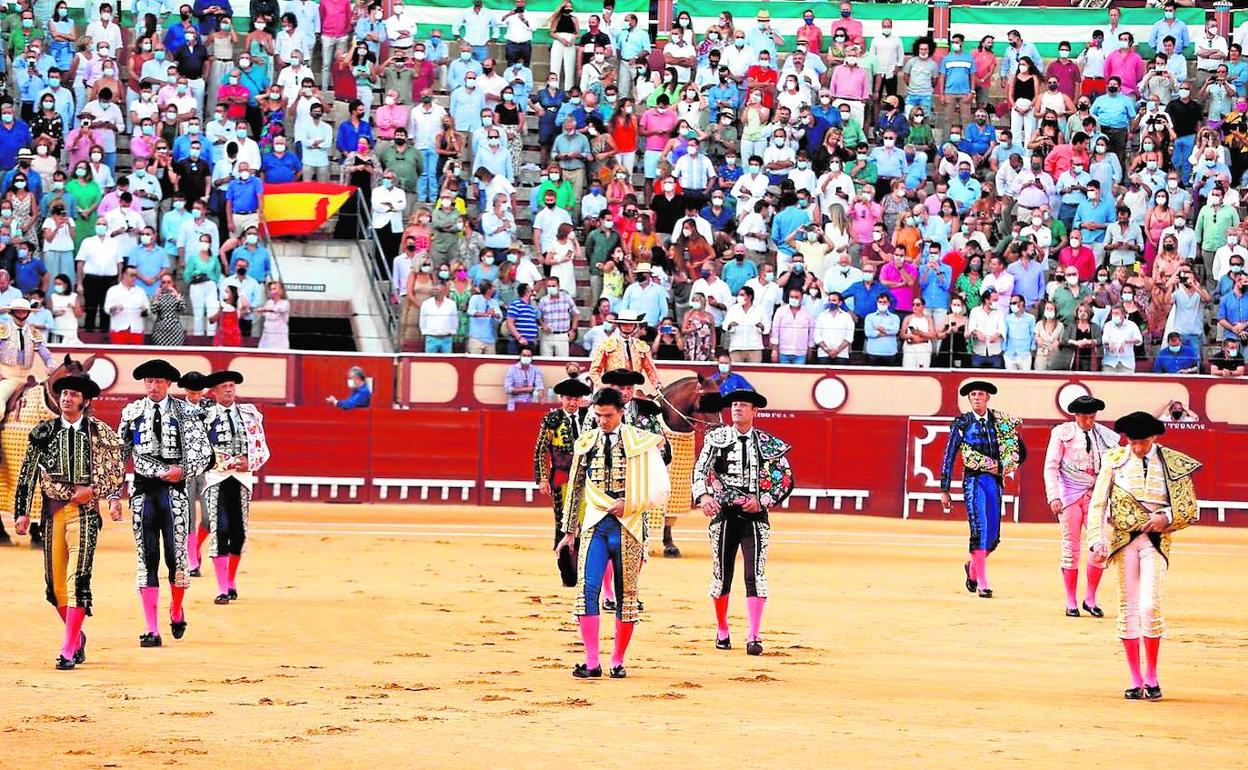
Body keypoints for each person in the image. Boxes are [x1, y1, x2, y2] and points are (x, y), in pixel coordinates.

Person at [12, 374, 123, 670]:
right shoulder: (43, 431)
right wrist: (22, 512)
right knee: (55, 586)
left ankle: (67, 647)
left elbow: (115, 470)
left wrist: (97, 493)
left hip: (85, 515)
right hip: (51, 514)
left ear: (85, 402)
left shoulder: (99, 432)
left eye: (73, 394)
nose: (66, 398)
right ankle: (77, 635)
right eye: (63, 394)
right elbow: (28, 473)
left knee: (79, 580)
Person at [557, 387, 669, 678]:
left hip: (628, 527)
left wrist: (629, 502)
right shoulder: (586, 442)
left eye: (608, 415)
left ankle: (618, 661)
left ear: (621, 412)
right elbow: (576, 488)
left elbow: (660, 489)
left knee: (627, 596)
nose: (602, 421)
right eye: (597, 415)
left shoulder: (642, 442)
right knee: (586, 591)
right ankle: (592, 662)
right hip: (595, 526)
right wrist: (568, 532)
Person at [1088, 411, 1201, 701]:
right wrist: (1096, 541)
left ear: (1154, 438)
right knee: (1128, 607)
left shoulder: (1172, 462)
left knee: (1150, 606)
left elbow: (1190, 509)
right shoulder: (1114, 460)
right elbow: (1099, 505)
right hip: (1124, 541)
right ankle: (1135, 678)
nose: (1137, 448)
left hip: (1156, 541)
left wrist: (1165, 517)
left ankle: (1152, 674)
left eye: (1143, 442)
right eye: (1133, 442)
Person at [117, 359, 214, 648]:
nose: (153, 386)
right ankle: (151, 628)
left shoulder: (186, 412)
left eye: (159, 381)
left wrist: (183, 471)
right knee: (147, 558)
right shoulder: (132, 412)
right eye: (149, 381)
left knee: (176, 558)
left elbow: (205, 454)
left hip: (174, 493)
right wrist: (112, 494)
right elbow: (119, 454)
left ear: (168, 384)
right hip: (143, 492)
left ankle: (175, 607)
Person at [692, 389, 793, 655]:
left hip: (755, 517)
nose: (737, 408)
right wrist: (703, 496)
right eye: (734, 404)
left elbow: (784, 478)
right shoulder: (717, 438)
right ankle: (723, 629)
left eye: (743, 405)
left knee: (755, 575)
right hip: (724, 515)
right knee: (721, 576)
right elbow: (700, 469)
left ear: (754, 411)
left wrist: (763, 500)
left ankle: (754, 635)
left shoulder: (767, 442)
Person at [940, 381, 1025, 599]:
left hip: (994, 481)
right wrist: (945, 488)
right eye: (973, 395)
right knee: (980, 528)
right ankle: (982, 583)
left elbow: (1019, 450)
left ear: (988, 398)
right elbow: (949, 454)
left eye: (980, 394)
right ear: (969, 399)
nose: (976, 398)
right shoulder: (963, 423)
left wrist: (1008, 465)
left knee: (994, 537)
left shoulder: (1000, 422)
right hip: (973, 480)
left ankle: (973, 568)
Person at [1043, 395, 1117, 618]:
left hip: (1097, 497)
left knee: (1100, 547)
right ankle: (1071, 601)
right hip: (1069, 496)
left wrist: (1113, 505)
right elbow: (1051, 467)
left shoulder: (1105, 436)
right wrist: (1053, 496)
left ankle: (1090, 598)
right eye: (1085, 417)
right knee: (1071, 549)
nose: (1089, 421)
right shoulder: (1062, 433)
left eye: (1092, 416)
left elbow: (1114, 472)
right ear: (1076, 416)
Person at [200, 370, 269, 605]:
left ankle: (230, 581)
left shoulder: (250, 415)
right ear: (214, 392)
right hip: (216, 478)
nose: (229, 389)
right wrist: (221, 462)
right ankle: (221, 588)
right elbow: (198, 448)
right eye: (224, 387)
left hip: (242, 479)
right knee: (220, 528)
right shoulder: (204, 416)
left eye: (231, 386)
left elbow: (262, 448)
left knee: (238, 533)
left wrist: (251, 462)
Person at [534, 377, 591, 582]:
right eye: (568, 399)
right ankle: (567, 573)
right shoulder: (552, 420)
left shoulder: (589, 417)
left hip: (587, 479)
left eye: (576, 399)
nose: (573, 403)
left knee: (587, 523)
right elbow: (541, 450)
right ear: (561, 398)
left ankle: (586, 571)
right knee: (564, 522)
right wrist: (542, 478)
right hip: (562, 478)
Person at [176, 371, 214, 578]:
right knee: (188, 517)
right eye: (191, 392)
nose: (195, 396)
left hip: (209, 469)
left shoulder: (211, 408)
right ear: (185, 391)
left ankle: (196, 548)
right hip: (186, 470)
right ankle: (192, 560)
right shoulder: (176, 409)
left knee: (209, 518)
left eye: (198, 392)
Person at [0, 297, 54, 424]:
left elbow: (46, 355)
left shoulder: (34, 332)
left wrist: (51, 365)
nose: (21, 315)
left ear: (28, 313)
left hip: (28, 378)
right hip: (8, 378)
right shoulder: (2, 331)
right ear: (11, 312)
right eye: (18, 311)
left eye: (24, 312)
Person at [587, 309, 661, 392]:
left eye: (631, 324)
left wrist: (657, 386)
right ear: (619, 325)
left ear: (636, 326)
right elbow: (594, 370)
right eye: (624, 324)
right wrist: (603, 386)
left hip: (632, 389)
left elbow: (650, 369)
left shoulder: (641, 346)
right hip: (612, 388)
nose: (628, 327)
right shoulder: (607, 345)